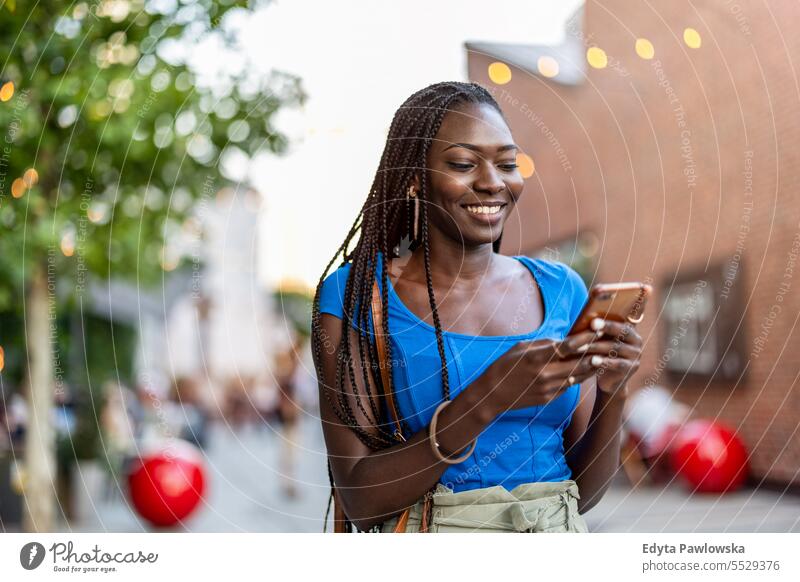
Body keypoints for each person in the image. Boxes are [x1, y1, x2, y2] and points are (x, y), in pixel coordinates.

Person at [311, 81, 643, 533]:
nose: (492, 182)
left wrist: (613, 392)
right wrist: (486, 400)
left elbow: (585, 492)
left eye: (508, 163)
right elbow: (360, 497)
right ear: (413, 177)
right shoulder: (355, 297)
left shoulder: (561, 289)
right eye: (464, 164)